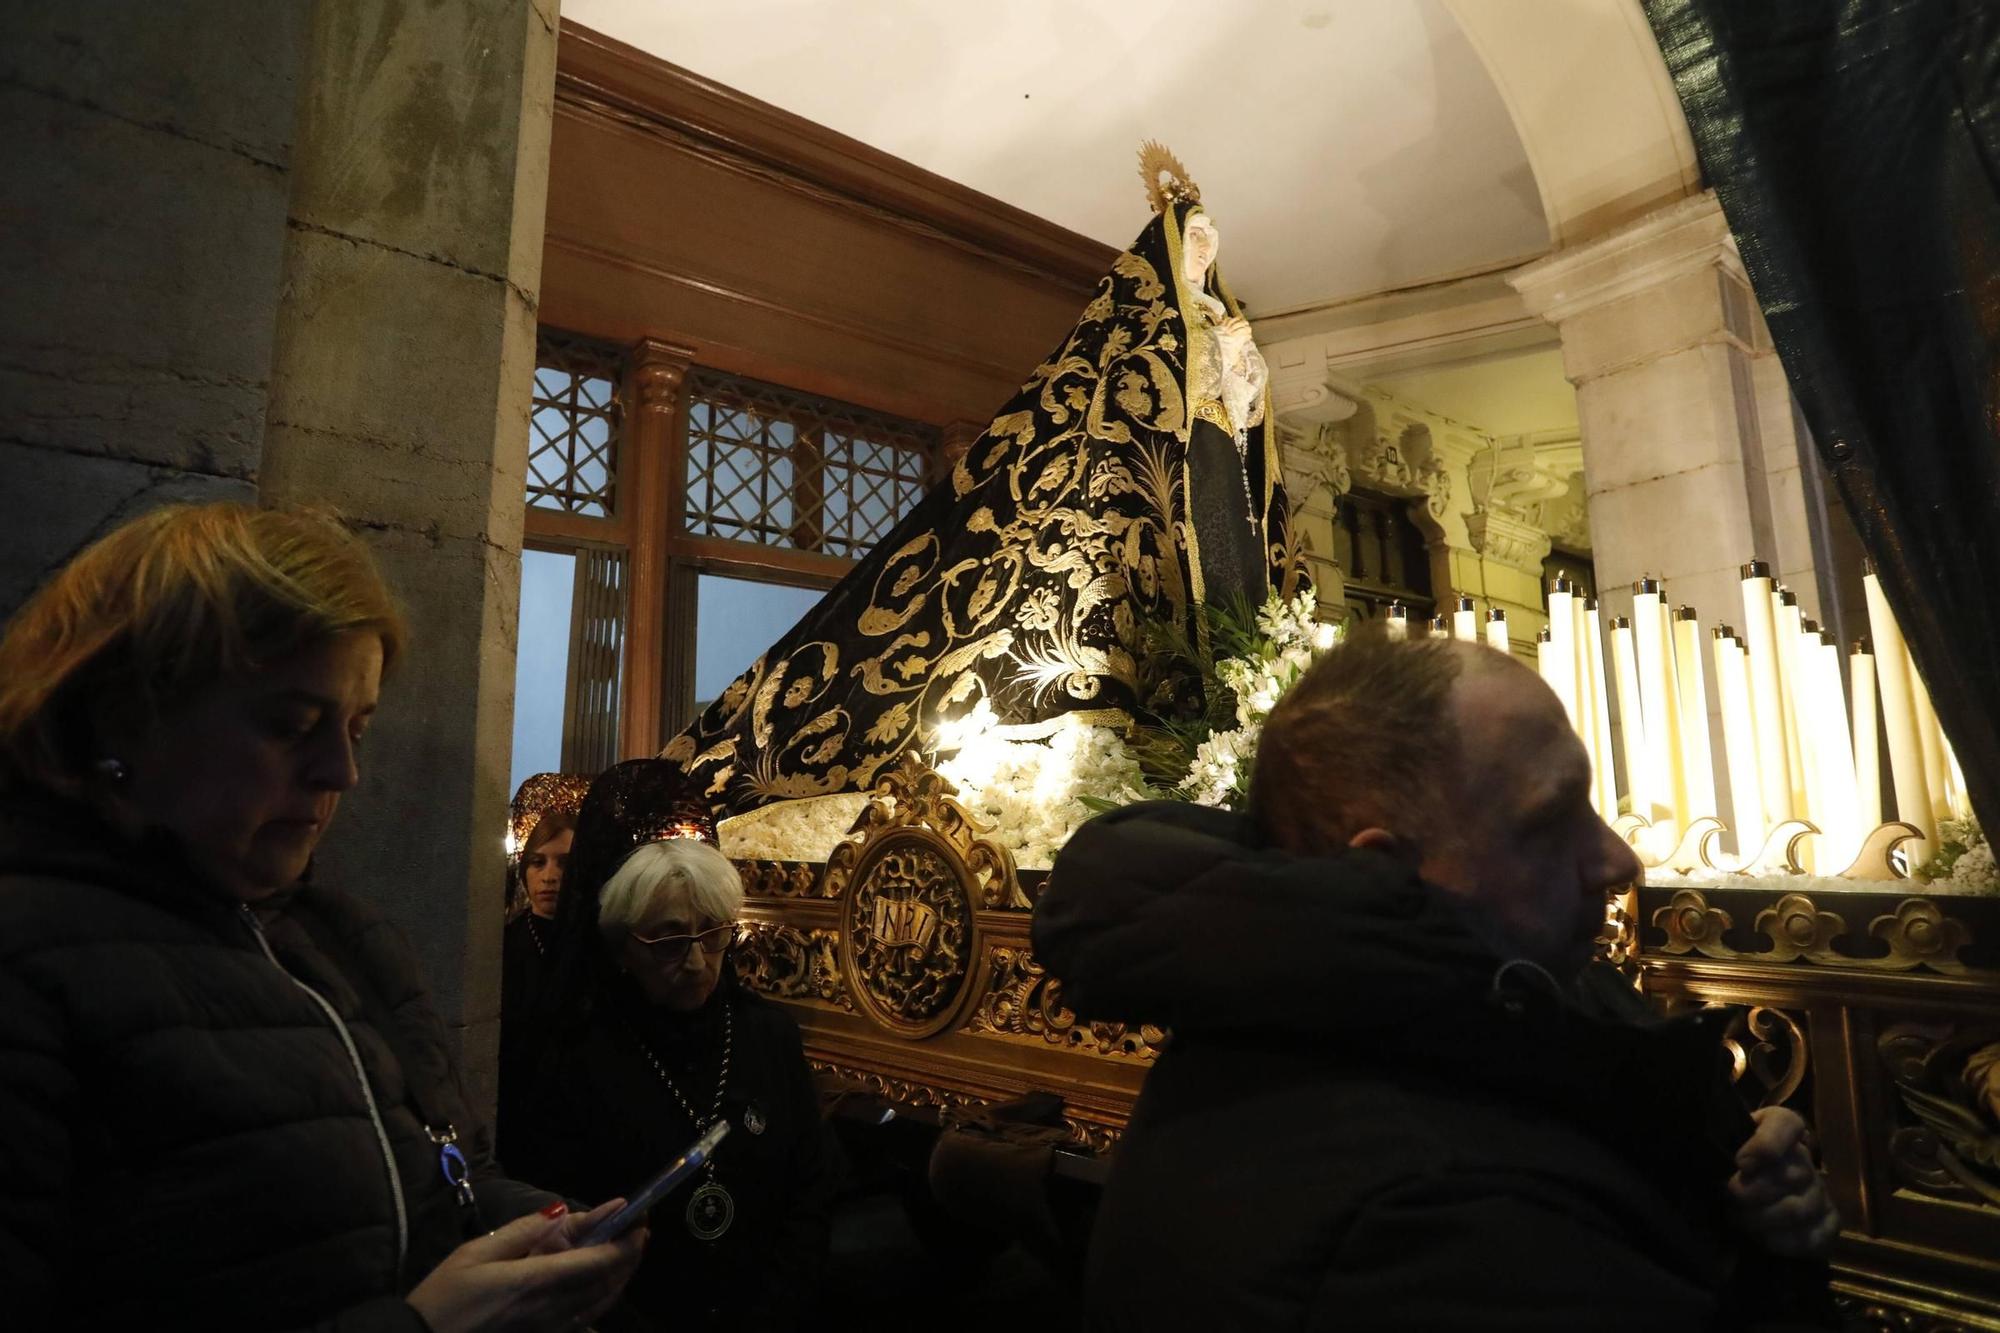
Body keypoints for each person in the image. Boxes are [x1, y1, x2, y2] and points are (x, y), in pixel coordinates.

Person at [1033, 629, 1840, 1331]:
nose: (1620, 861)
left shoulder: (1351, 1023)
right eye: (1550, 820)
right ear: (1384, 868)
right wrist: (1777, 1273)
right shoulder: (1434, 1224)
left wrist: (1732, 1194)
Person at [0, 503, 646, 1331]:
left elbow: (436, 1174)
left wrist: (541, 1228)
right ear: (126, 711)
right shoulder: (28, 960)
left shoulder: (342, 939)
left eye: (356, 726)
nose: (342, 771)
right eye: (293, 724)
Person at [658, 147, 1294, 818]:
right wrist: (1206, 353)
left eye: (1209, 243)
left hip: (1215, 494)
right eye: (1194, 240)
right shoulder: (1146, 327)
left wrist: (1239, 365)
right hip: (1165, 505)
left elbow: (1245, 416)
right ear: (1168, 250)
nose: (1203, 252)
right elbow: (1140, 400)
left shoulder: (1225, 321)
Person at [513, 758, 841, 1332]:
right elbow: (569, 1222)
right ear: (620, 948)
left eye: (711, 935)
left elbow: (808, 1193)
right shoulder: (577, 1057)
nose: (694, 963)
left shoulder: (768, 1036)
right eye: (666, 941)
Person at [497, 772, 587, 1156]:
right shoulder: (503, 945)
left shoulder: (596, 943)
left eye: (564, 864)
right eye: (538, 862)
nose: (549, 876)